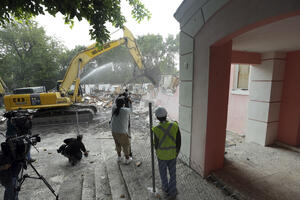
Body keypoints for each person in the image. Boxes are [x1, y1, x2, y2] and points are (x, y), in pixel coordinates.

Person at [152, 107, 181, 200]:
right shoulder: (175, 125)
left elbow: (155, 144)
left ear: (157, 118)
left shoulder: (156, 129)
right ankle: (173, 191)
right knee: (173, 173)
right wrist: (177, 152)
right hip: (172, 154)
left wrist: (158, 151)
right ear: (166, 115)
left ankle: (165, 189)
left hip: (161, 156)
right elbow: (179, 141)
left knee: (163, 173)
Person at [111, 97, 132, 164]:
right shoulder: (125, 110)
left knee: (117, 144)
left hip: (114, 130)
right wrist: (129, 101)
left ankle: (119, 157)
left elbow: (115, 103)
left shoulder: (114, 108)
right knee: (125, 145)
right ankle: (127, 159)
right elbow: (131, 110)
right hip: (122, 132)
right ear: (123, 104)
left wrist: (120, 97)